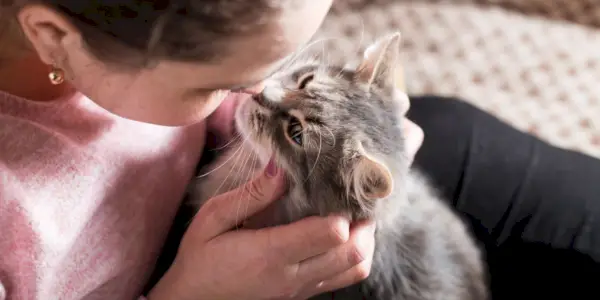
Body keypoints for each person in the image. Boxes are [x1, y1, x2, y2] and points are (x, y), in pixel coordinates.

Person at [0, 1, 598, 300]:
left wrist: (372, 128)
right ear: (53, 38)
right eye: (222, 81)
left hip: (310, 179)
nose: (261, 88)